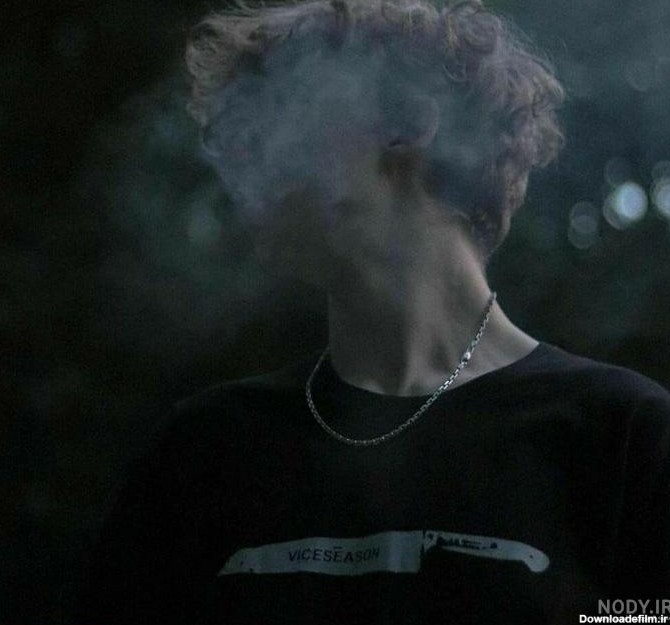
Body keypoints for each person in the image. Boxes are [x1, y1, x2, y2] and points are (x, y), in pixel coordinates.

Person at [73, 0, 670, 623]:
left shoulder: (621, 439)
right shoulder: (203, 453)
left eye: (278, 107)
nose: (240, 156)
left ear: (408, 122)